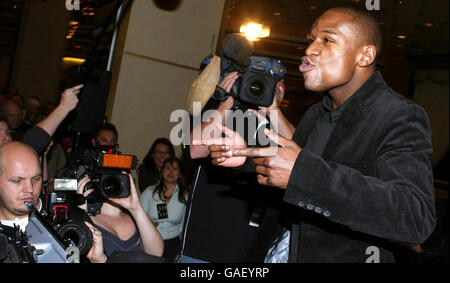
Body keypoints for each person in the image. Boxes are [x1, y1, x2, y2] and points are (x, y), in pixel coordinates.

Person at [208, 6, 436, 262]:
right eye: (312, 40)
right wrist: (248, 159)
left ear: (365, 55)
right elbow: (292, 181)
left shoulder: (398, 115)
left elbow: (415, 218)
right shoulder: (317, 113)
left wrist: (302, 174)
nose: (310, 50)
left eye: (327, 40)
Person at [179, 61, 287, 263]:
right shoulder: (218, 113)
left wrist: (273, 110)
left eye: (277, 83)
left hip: (251, 249)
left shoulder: (279, 127)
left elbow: (303, 156)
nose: (265, 86)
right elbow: (193, 150)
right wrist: (226, 103)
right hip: (204, 245)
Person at [76, 173, 164, 263]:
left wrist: (136, 208)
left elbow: (156, 253)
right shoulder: (86, 219)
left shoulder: (136, 218)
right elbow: (72, 258)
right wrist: (80, 214)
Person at [140, 157, 189, 262]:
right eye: (167, 168)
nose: (171, 172)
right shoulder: (149, 192)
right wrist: (148, 225)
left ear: (180, 174)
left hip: (174, 244)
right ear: (162, 172)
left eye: (175, 169)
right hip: (149, 241)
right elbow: (138, 217)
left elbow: (185, 224)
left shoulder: (185, 196)